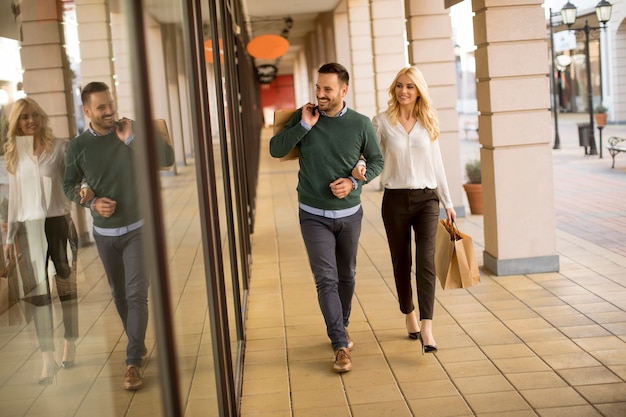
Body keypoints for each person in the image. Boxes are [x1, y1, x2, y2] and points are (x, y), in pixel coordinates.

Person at [270, 63, 384, 372]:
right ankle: (339, 345)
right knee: (326, 279)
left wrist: (355, 182)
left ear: (343, 91)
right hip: (312, 215)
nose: (320, 94)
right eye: (318, 87)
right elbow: (275, 149)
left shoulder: (360, 124)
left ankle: (341, 323)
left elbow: (377, 160)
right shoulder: (305, 116)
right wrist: (303, 126)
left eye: (327, 89)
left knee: (346, 275)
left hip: (350, 215)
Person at [64, 81, 174, 390]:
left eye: (110, 103)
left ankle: (132, 361)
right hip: (104, 235)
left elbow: (166, 158)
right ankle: (136, 343)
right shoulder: (78, 147)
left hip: (140, 229)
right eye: (101, 107)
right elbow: (68, 184)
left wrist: (132, 140)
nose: (110, 110)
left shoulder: (131, 129)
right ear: (87, 111)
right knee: (120, 294)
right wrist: (91, 201)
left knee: (137, 293)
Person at [353, 66, 456, 354]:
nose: (404, 91)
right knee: (401, 262)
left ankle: (427, 327)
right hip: (395, 200)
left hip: (426, 200)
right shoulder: (382, 122)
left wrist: (448, 202)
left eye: (410, 86)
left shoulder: (428, 122)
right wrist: (360, 168)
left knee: (425, 261)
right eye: (399, 85)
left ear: (418, 90)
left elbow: (437, 164)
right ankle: (409, 313)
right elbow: (369, 154)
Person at [4, 97, 87, 384]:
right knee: (38, 296)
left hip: (57, 224)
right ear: (17, 122)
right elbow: (14, 198)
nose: (31, 120)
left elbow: (74, 183)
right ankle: (46, 358)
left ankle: (71, 341)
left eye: (34, 115)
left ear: (41, 117)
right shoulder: (15, 154)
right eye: (24, 117)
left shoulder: (60, 148)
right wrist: (9, 235)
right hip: (29, 229)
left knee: (65, 287)